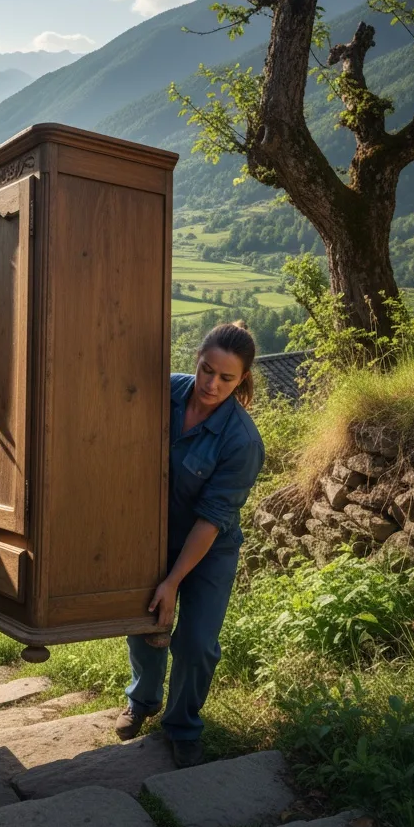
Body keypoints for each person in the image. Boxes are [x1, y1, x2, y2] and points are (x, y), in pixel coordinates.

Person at [116, 321, 265, 768]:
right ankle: (142, 701)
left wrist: (174, 581)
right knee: (145, 627)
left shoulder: (242, 442)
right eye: (206, 371)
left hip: (208, 549)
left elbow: (210, 522)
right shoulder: (165, 392)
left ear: (242, 381)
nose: (211, 385)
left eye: (226, 378)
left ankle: (182, 725)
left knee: (197, 642)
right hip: (154, 537)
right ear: (196, 361)